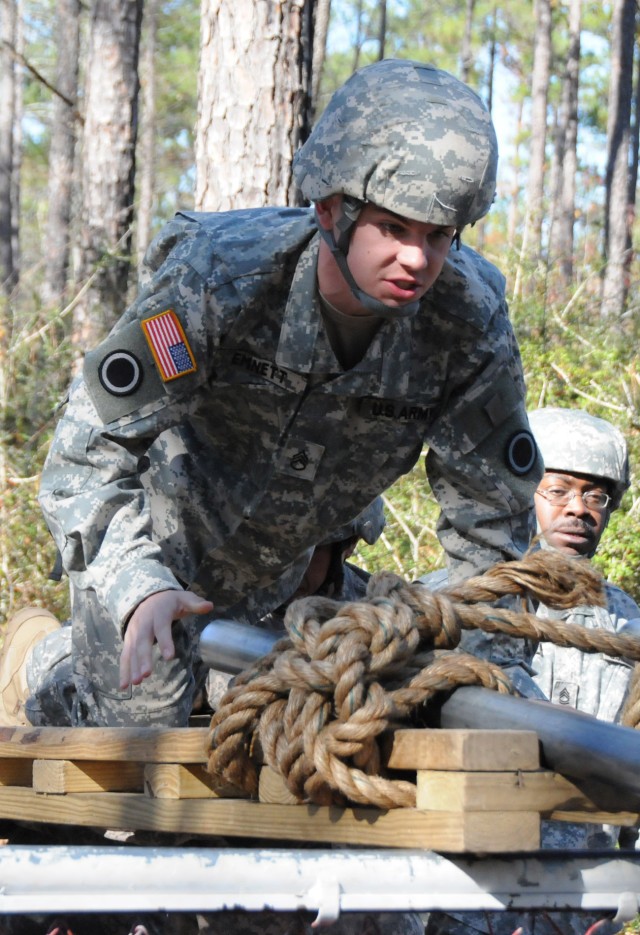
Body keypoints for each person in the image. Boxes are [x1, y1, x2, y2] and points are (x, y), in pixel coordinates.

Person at [0, 57, 541, 736]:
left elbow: (493, 518)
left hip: (296, 581)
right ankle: (40, 663)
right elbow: (89, 452)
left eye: (439, 237)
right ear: (330, 210)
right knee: (144, 727)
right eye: (395, 229)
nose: (418, 260)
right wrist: (136, 588)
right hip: (160, 557)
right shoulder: (219, 279)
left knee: (339, 716)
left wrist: (493, 677)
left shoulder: (467, 322)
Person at [425, 406, 640, 935]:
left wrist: (626, 896)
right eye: (559, 490)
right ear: (523, 492)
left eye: (595, 496)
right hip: (465, 894)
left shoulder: (630, 624)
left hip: (584, 903)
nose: (579, 510)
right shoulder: (451, 603)